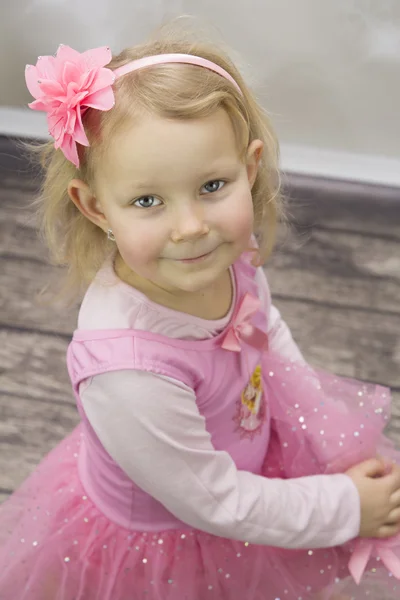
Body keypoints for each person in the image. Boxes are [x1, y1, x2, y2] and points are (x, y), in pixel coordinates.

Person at [1, 20, 400, 600]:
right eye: (147, 200)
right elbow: (216, 500)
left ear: (250, 167)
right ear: (95, 208)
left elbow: (266, 332)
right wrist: (344, 507)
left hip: (235, 475)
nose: (191, 227)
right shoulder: (129, 372)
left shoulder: (228, 259)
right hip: (168, 540)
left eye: (212, 185)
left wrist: (323, 436)